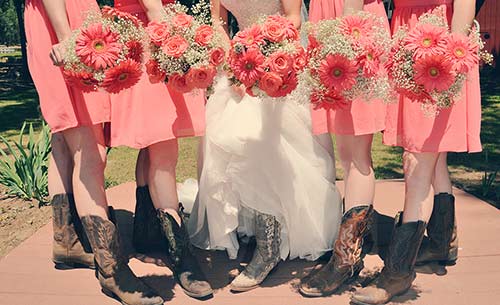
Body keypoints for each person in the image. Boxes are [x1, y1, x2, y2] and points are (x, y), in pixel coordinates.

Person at [186, 0, 343, 293]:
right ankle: (251, 226)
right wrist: (234, 65)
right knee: (230, 141)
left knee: (262, 146)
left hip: (276, 65)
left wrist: (263, 64)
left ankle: (268, 247)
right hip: (239, 64)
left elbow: (293, 19)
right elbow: (218, 24)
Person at [24, 0, 163, 304]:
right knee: (90, 151)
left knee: (64, 138)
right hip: (65, 25)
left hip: (61, 21)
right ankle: (111, 270)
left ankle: (67, 242)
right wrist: (67, 38)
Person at [351, 0, 480, 304]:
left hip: (438, 47)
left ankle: (398, 272)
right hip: (406, 39)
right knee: (433, 157)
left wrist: (450, 61)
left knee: (417, 161)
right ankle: (440, 242)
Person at [109, 0, 213, 299]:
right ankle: (181, 255)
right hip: (155, 33)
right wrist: (168, 33)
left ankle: (147, 233)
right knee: (164, 147)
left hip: (150, 27)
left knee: (154, 143)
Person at [299, 0, 391, 297]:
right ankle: (348, 251)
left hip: (354, 24)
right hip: (330, 21)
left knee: (356, 153)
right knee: (347, 153)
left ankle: (347, 258)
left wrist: (349, 30)